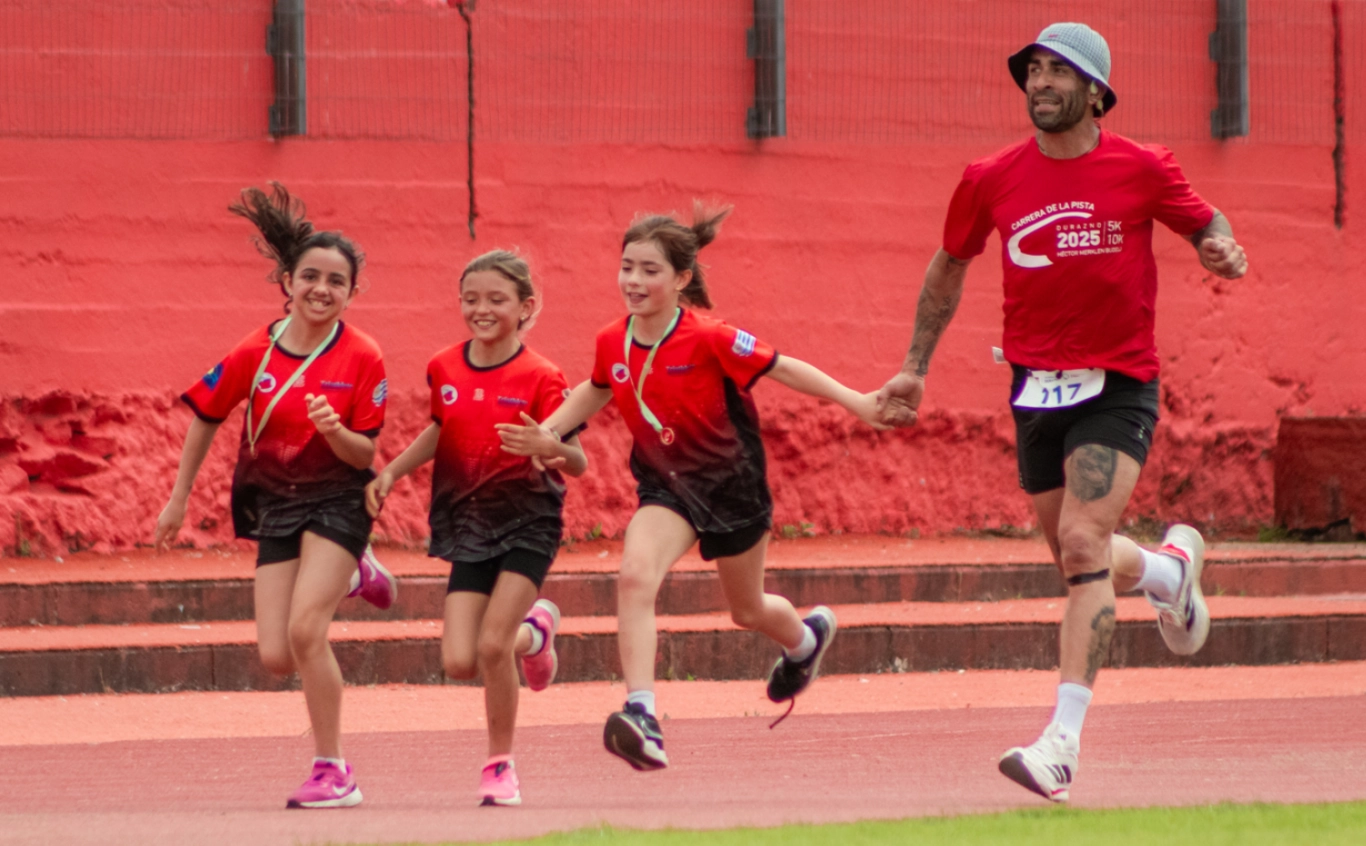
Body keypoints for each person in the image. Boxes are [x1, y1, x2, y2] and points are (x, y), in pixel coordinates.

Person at [876, 23, 1249, 803]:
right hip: (1035, 386)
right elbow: (950, 265)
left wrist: (1220, 245)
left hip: (1118, 382)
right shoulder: (990, 177)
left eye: (1058, 72)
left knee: (1082, 540)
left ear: (1095, 91)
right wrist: (914, 367)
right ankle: (1167, 572)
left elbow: (1203, 220)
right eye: (1033, 71)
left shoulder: (1142, 168)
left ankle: (1061, 746)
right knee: (1079, 556)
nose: (1040, 83)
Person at [499, 203, 886, 771]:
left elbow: (786, 367)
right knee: (634, 576)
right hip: (667, 490)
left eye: (649, 270)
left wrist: (858, 401)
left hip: (732, 489)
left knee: (747, 609)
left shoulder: (711, 336)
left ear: (681, 278)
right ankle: (642, 714)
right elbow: (597, 387)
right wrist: (550, 429)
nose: (633, 280)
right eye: (627, 266)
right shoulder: (613, 339)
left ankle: (804, 641)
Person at [155, 183, 397, 808]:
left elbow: (366, 454)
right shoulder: (253, 350)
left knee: (307, 632)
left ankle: (334, 769)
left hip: (340, 501)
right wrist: (178, 499)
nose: (321, 289)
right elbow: (206, 415)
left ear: (352, 292)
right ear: (287, 281)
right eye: (310, 276)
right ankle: (351, 576)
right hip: (275, 503)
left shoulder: (364, 355)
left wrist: (334, 429)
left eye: (336, 281)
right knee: (274, 655)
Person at [366, 250, 585, 806]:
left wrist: (550, 446)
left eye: (495, 299)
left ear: (524, 307)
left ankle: (499, 766)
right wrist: (391, 469)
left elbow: (577, 461)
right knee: (460, 660)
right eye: (470, 299)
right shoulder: (444, 365)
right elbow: (441, 428)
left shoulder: (543, 376)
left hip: (529, 521)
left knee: (491, 647)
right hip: (467, 522)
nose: (481, 309)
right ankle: (535, 632)